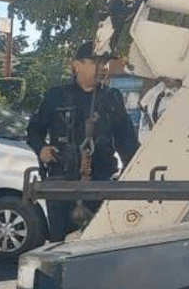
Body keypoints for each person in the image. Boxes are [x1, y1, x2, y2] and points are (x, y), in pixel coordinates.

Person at [27, 41, 139, 241]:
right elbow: (34, 131)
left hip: (101, 186)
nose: (102, 68)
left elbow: (127, 143)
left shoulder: (112, 98)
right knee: (59, 246)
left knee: (97, 246)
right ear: (76, 65)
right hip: (61, 187)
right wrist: (41, 149)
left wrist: (134, 173)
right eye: (95, 61)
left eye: (104, 63)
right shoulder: (57, 96)